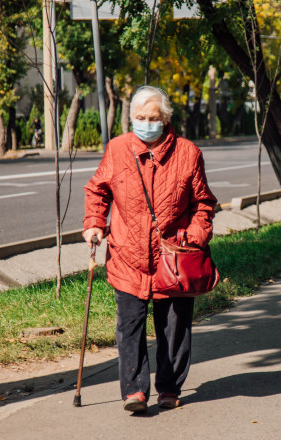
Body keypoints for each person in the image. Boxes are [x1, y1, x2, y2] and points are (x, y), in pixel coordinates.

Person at [83, 86, 217, 413]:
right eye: (140, 118)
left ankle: (169, 388)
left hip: (173, 258)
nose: (146, 123)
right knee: (129, 326)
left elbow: (204, 204)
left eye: (153, 118)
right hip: (127, 256)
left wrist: (194, 237)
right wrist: (95, 223)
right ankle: (134, 392)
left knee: (173, 328)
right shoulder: (117, 149)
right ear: (131, 118)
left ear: (166, 119)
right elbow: (97, 189)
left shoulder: (188, 153)